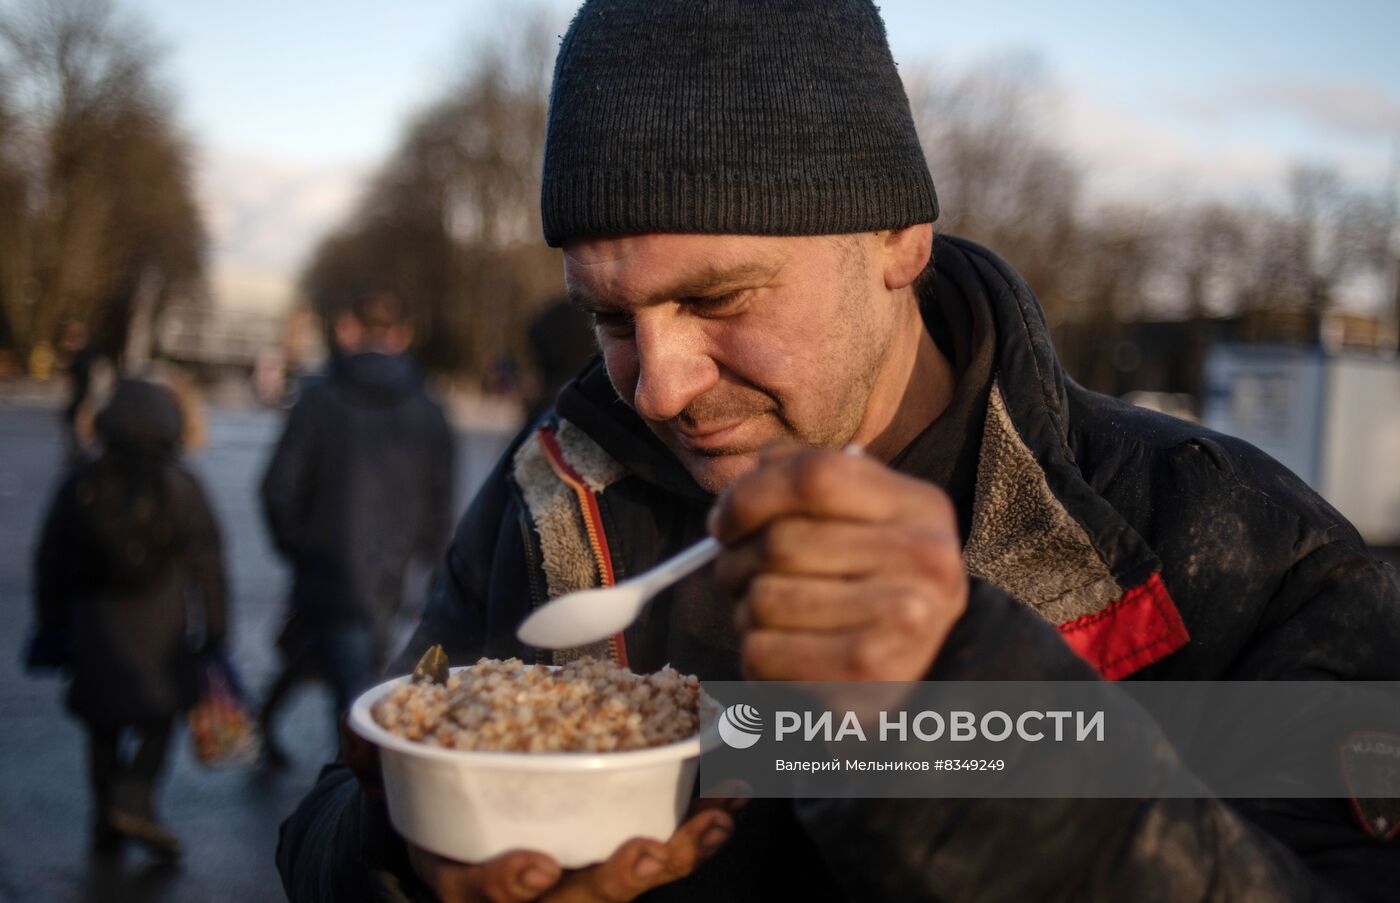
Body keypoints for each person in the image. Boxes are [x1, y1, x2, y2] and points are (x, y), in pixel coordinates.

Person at [277, 2, 1400, 901]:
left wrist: (962, 708)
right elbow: (339, 804)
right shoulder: (558, 489)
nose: (657, 385)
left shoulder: (1225, 544)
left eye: (718, 297)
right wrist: (412, 852)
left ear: (896, 240)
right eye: (611, 319)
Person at [32, 377, 227, 860]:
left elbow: (49, 558)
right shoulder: (183, 485)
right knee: (160, 721)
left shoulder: (81, 480)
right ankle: (137, 798)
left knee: (102, 730)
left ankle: (106, 818)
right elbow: (209, 565)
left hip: (95, 626)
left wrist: (51, 620)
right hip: (162, 630)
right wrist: (216, 630)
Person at [258, 290, 455, 763]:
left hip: (328, 569)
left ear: (348, 329)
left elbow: (277, 489)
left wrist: (300, 548)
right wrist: (430, 569)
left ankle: (342, 794)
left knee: (342, 685)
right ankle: (339, 782)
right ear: (401, 335)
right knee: (349, 677)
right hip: (390, 577)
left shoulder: (317, 400)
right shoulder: (429, 412)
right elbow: (440, 504)